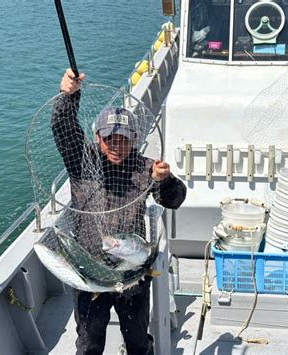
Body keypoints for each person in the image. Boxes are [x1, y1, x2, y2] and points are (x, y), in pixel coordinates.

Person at [51, 68, 186, 355]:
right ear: (97, 137)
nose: (116, 144)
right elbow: (63, 130)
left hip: (132, 273)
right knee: (89, 344)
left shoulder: (144, 167)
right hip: (89, 273)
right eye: (109, 137)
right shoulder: (81, 161)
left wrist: (166, 181)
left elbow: (175, 200)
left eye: (123, 138)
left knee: (138, 340)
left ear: (135, 138)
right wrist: (68, 96)